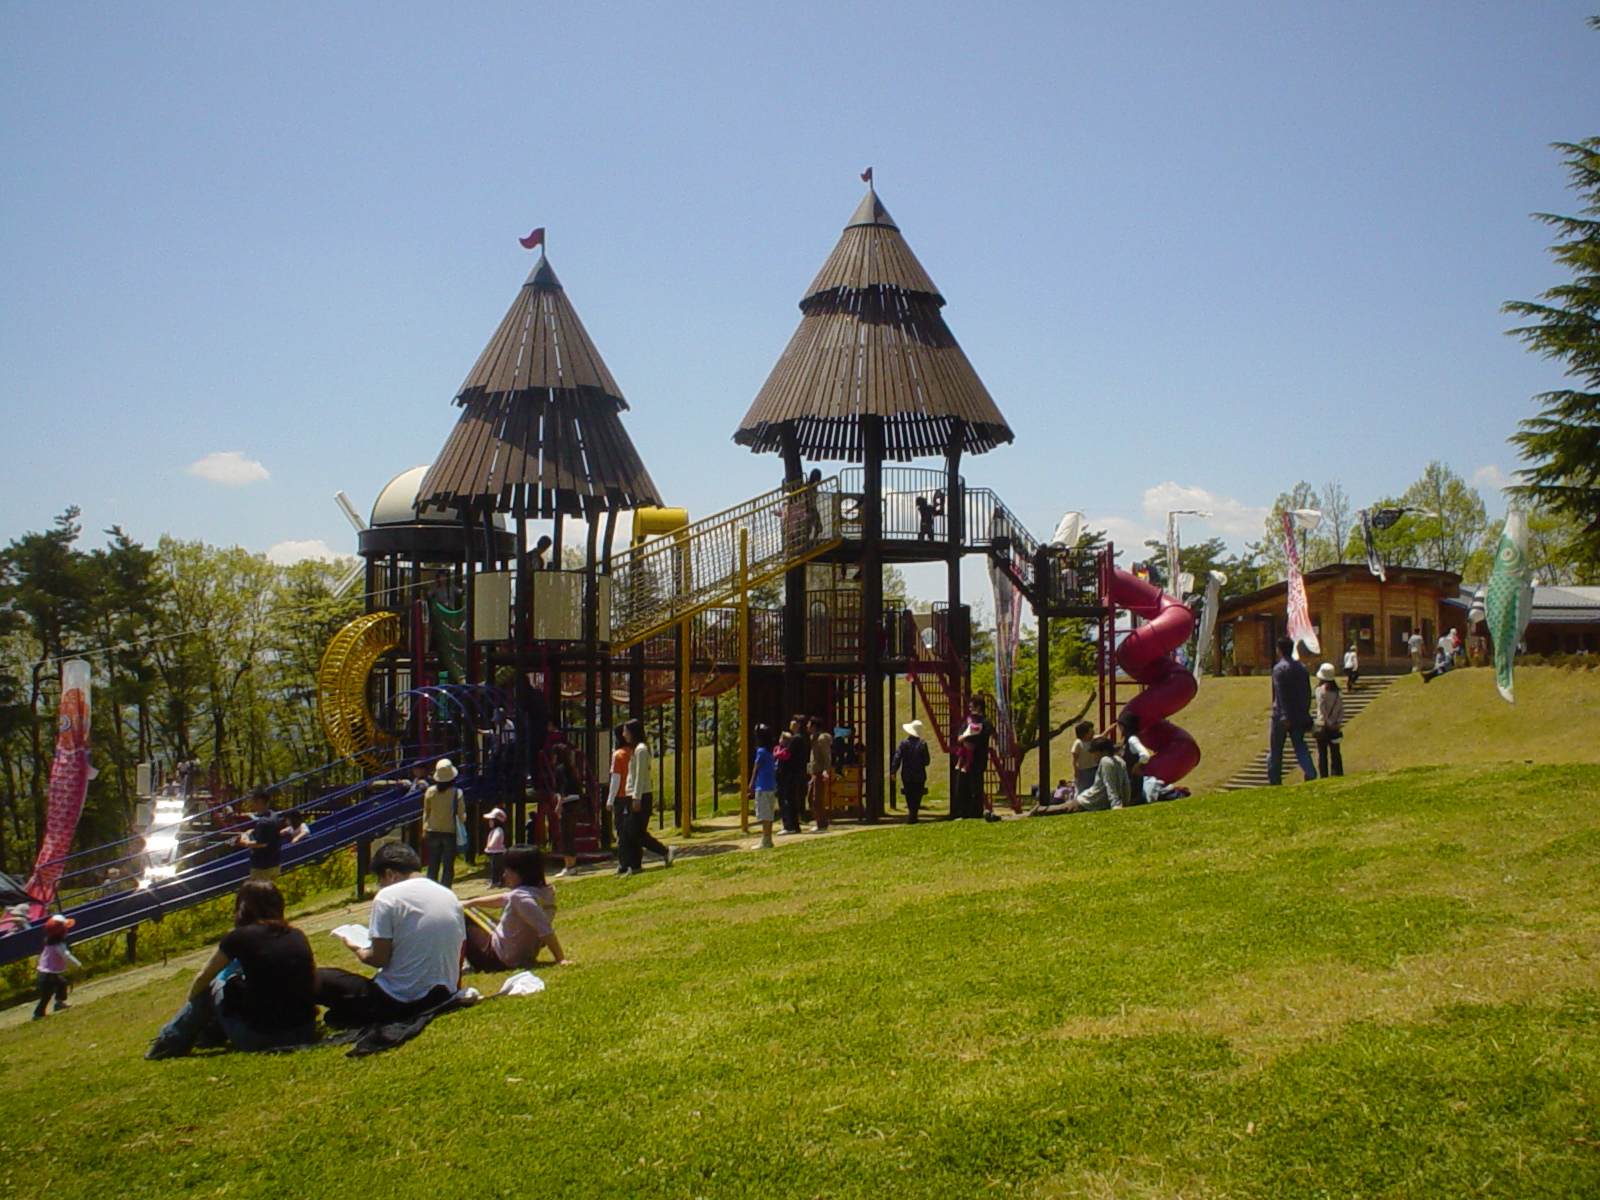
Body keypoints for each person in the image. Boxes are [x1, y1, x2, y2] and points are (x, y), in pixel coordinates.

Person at [146, 880, 318, 1057]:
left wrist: (194, 1006)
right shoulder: (297, 934)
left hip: (261, 1038)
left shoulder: (238, 938)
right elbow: (315, 981)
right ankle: (206, 1034)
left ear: (242, 907)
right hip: (305, 1031)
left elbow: (203, 979)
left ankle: (170, 1040)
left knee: (215, 985)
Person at [317, 841, 464, 1028]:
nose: (380, 886)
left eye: (380, 880)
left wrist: (358, 949)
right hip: (441, 995)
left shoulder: (388, 897)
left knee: (317, 978)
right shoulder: (448, 895)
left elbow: (379, 959)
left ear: (389, 874)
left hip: (399, 999)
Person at [461, 845, 570, 971]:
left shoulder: (520, 897)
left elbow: (546, 931)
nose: (504, 875)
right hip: (521, 956)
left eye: (508, 870)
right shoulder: (544, 892)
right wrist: (471, 903)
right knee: (471, 910)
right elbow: (503, 899)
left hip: (497, 959)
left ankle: (460, 963)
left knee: (459, 914)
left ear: (521, 872)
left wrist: (561, 959)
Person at [617, 718, 673, 872]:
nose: (623, 735)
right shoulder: (635, 749)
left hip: (641, 795)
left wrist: (636, 797)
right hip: (632, 794)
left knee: (636, 831)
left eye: (626, 731)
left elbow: (640, 776)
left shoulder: (641, 750)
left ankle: (664, 851)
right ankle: (635, 866)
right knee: (630, 831)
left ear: (632, 732)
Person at [1268, 637, 1318, 785]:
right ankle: (1311, 773)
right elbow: (1306, 692)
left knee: (1276, 750)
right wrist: (1305, 712)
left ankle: (1275, 780)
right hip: (1299, 714)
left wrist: (1283, 714)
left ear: (1280, 650)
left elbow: (1280, 692)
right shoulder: (1301, 669)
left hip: (1281, 716)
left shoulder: (1279, 669)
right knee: (1300, 745)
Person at [1031, 737, 1128, 813]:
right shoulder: (1120, 761)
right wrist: (1124, 803)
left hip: (1088, 802)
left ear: (1102, 752)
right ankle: (1036, 810)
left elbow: (1109, 784)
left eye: (1094, 753)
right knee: (1056, 810)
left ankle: (1037, 810)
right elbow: (1125, 785)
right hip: (1086, 801)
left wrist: (1116, 806)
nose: (1093, 756)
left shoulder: (1106, 761)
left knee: (1059, 809)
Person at [422, 759, 465, 888]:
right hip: (449, 831)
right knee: (448, 864)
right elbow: (461, 815)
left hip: (432, 829)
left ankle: (431, 888)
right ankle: (446, 889)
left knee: (433, 863)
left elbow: (426, 812)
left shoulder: (430, 791)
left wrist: (424, 829)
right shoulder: (456, 793)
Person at [952, 699, 993, 819]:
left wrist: (972, 743)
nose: (969, 709)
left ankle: (975, 813)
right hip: (964, 759)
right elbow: (960, 734)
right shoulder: (967, 721)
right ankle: (963, 813)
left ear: (979, 707)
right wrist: (965, 742)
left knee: (976, 787)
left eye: (972, 706)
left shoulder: (986, 722)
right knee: (962, 786)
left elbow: (983, 737)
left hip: (978, 758)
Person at [33, 914, 80, 1020]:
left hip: (46, 973)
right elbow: (66, 956)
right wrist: (78, 965)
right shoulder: (59, 945)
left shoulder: (49, 944)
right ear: (61, 933)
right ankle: (38, 1014)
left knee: (62, 983)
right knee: (47, 995)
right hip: (47, 974)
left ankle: (59, 1003)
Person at [607, 722, 636, 875]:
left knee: (620, 830)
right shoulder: (633, 752)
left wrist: (610, 800)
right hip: (633, 794)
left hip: (621, 796)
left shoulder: (618, 755)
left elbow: (615, 779)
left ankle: (623, 862)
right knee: (631, 829)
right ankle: (633, 859)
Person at [889, 719, 931, 823]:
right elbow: (926, 761)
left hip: (907, 773)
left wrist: (893, 771)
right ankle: (914, 814)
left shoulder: (903, 743)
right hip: (919, 773)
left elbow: (897, 758)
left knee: (909, 793)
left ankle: (911, 814)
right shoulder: (922, 744)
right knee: (917, 794)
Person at [236, 789, 284, 881]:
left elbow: (262, 844)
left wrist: (244, 842)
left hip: (263, 867)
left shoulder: (264, 822)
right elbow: (268, 834)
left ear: (260, 802)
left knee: (258, 894)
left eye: (252, 801)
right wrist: (252, 831)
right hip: (274, 862)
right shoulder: (274, 816)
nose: (250, 804)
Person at [776, 715, 809, 835]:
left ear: (798, 724)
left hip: (789, 773)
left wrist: (775, 753)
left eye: (793, 721)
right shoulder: (802, 738)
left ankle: (790, 825)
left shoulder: (795, 739)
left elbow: (786, 755)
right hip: (796, 772)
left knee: (788, 799)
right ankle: (794, 825)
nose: (791, 723)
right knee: (792, 799)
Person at [747, 724, 778, 849]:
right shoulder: (770, 752)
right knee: (769, 814)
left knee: (763, 814)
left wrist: (751, 784)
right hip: (771, 785)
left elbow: (756, 768)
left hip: (762, 785)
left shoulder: (760, 751)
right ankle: (768, 838)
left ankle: (765, 840)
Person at [1314, 663, 1345, 778]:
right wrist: (1337, 722)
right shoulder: (1337, 692)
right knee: (1335, 753)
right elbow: (1341, 709)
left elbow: (1322, 709)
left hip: (1322, 725)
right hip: (1335, 726)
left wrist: (1328, 722)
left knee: (1322, 754)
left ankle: (1324, 776)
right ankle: (1337, 774)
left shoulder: (1320, 691)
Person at [1117, 713, 1154, 806]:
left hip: (1133, 781)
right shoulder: (1128, 740)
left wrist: (1136, 767)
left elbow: (1145, 755)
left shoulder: (1132, 739)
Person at [807, 716, 833, 831]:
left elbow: (826, 756)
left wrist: (826, 771)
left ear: (814, 726)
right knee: (810, 798)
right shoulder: (813, 738)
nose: (807, 727)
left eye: (809, 725)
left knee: (817, 799)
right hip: (814, 772)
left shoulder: (821, 739)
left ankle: (821, 824)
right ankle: (819, 821)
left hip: (820, 772)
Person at [1069, 720, 1098, 797]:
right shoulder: (1078, 743)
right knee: (1082, 788)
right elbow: (1074, 757)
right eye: (1090, 731)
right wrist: (1075, 769)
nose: (1093, 732)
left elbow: (1102, 736)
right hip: (1083, 770)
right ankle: (1077, 802)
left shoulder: (1093, 740)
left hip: (1094, 767)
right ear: (1084, 734)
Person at [483, 806, 508, 887]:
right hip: (494, 852)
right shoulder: (494, 830)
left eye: (491, 820)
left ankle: (500, 881)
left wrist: (490, 845)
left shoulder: (498, 830)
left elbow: (495, 838)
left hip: (498, 852)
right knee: (494, 868)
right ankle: (496, 881)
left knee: (498, 867)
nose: (490, 822)